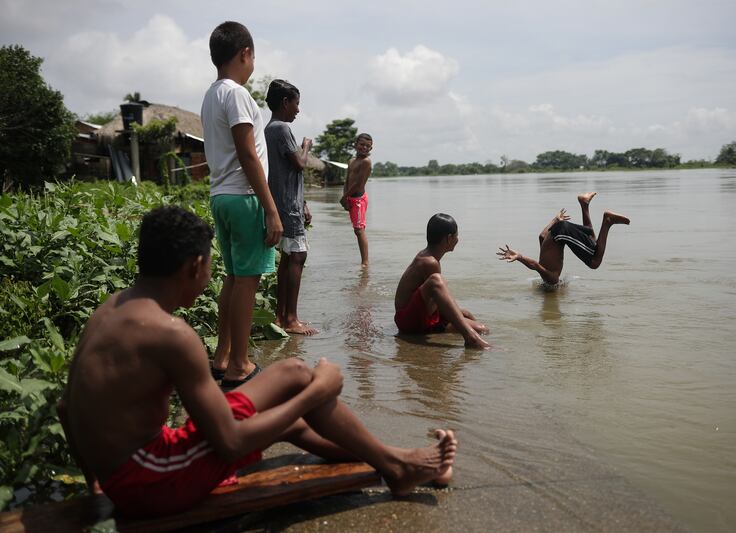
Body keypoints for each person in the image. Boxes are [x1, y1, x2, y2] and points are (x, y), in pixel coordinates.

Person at [56, 206, 458, 519]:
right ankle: (399, 465)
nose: (210, 273)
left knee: (292, 373)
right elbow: (229, 444)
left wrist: (97, 485)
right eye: (209, 265)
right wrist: (317, 392)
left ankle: (394, 460)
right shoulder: (171, 333)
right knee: (298, 401)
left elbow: (65, 408)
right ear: (194, 266)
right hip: (151, 482)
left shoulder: (110, 310)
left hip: (130, 473)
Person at [201, 21, 282, 389]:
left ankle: (222, 357)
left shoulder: (211, 94)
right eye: (253, 57)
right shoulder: (236, 94)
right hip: (244, 197)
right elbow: (248, 155)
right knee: (247, 281)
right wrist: (271, 209)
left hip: (221, 196)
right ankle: (239, 365)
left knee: (234, 278)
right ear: (245, 54)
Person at [264, 79, 317, 335]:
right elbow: (299, 164)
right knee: (298, 256)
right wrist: (306, 145)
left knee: (288, 258)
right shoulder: (282, 128)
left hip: (284, 202)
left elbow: (285, 171)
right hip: (287, 205)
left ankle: (282, 316)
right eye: (296, 103)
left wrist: (303, 201)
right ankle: (291, 319)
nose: (298, 109)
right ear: (285, 103)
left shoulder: (269, 128)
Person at [394, 213, 490, 349]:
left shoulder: (430, 257)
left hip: (420, 317)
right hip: (409, 323)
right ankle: (471, 338)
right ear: (449, 239)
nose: (458, 240)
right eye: (456, 236)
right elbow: (437, 293)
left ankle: (473, 335)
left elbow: (436, 302)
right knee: (436, 280)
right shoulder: (429, 262)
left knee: (480, 326)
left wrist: (459, 315)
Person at [497, 192, 630, 285]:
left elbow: (535, 266)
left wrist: (519, 257)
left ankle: (607, 221)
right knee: (591, 240)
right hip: (559, 229)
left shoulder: (552, 279)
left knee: (595, 262)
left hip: (561, 231)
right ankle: (584, 204)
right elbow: (542, 236)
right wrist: (555, 220)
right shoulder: (545, 257)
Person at [339, 133, 373, 267]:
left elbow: (359, 184)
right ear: (355, 145)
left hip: (359, 199)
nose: (364, 148)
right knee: (356, 230)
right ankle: (364, 261)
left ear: (371, 149)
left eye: (368, 146)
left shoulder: (366, 162)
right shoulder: (352, 160)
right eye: (362, 144)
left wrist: (344, 197)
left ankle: (365, 262)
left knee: (359, 230)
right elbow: (347, 180)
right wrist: (345, 197)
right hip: (350, 197)